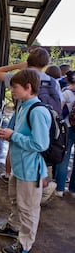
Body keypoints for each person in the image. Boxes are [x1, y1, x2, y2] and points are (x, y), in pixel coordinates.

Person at [0, 68, 51, 253]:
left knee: (28, 208)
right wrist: (9, 135)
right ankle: (13, 227)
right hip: (19, 167)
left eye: (15, 88)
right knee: (15, 200)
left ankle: (25, 244)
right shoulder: (23, 105)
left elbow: (40, 144)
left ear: (28, 87)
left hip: (30, 170)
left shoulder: (38, 111)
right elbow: (19, 133)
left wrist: (14, 136)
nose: (12, 92)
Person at [0, 47, 59, 202]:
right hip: (46, 126)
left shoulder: (21, 78)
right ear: (46, 63)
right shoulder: (54, 82)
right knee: (39, 155)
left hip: (25, 117)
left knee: (14, 141)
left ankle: (10, 176)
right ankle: (42, 185)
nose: (14, 90)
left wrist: (18, 66)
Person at [54, 70, 75, 198]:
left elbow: (58, 110)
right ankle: (73, 189)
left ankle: (60, 189)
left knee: (64, 157)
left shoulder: (67, 93)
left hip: (68, 128)